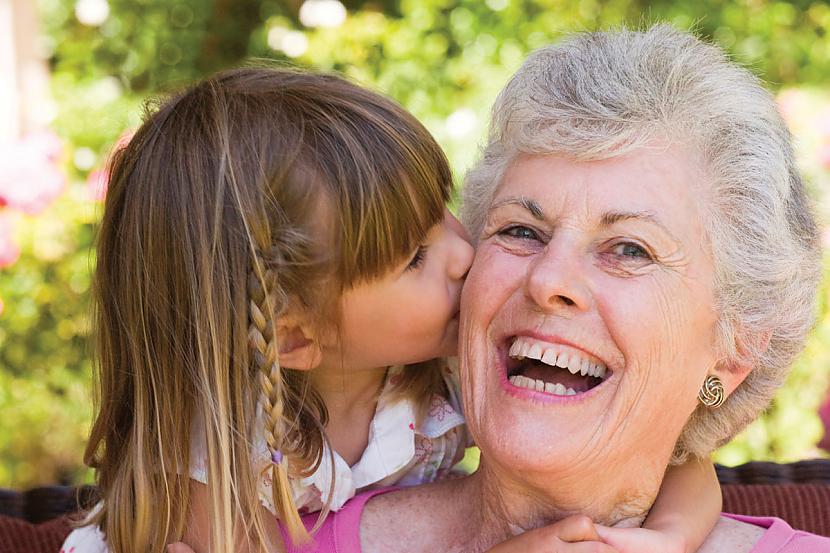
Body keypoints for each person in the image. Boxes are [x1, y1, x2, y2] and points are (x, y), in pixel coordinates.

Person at [164, 25, 825, 552]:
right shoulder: (248, 530)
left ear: (731, 354)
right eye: (521, 230)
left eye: (629, 248)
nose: (547, 282)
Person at [63, 66, 720, 553]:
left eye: (442, 209)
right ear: (295, 337)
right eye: (414, 257)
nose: (463, 251)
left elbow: (677, 455)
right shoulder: (218, 467)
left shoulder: (441, 376)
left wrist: (668, 536)